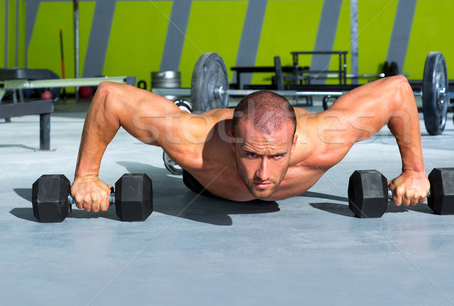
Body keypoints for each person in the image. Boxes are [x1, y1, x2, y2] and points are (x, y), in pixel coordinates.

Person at [71, 76, 430, 214]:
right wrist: (86, 176)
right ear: (232, 142)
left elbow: (397, 91)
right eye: (250, 154)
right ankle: (179, 119)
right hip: (205, 177)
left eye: (276, 156)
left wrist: (415, 172)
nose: (263, 173)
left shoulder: (325, 138)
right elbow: (109, 97)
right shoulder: (196, 141)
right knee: (177, 148)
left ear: (294, 142)